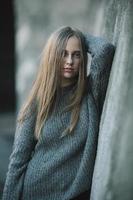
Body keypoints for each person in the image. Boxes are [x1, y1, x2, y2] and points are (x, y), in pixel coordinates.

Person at [2, 26, 115, 200]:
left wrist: (79, 36)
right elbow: (18, 160)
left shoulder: (91, 93)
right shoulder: (38, 102)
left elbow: (105, 51)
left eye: (76, 54)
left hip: (76, 194)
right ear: (52, 56)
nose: (70, 61)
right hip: (35, 192)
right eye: (63, 53)